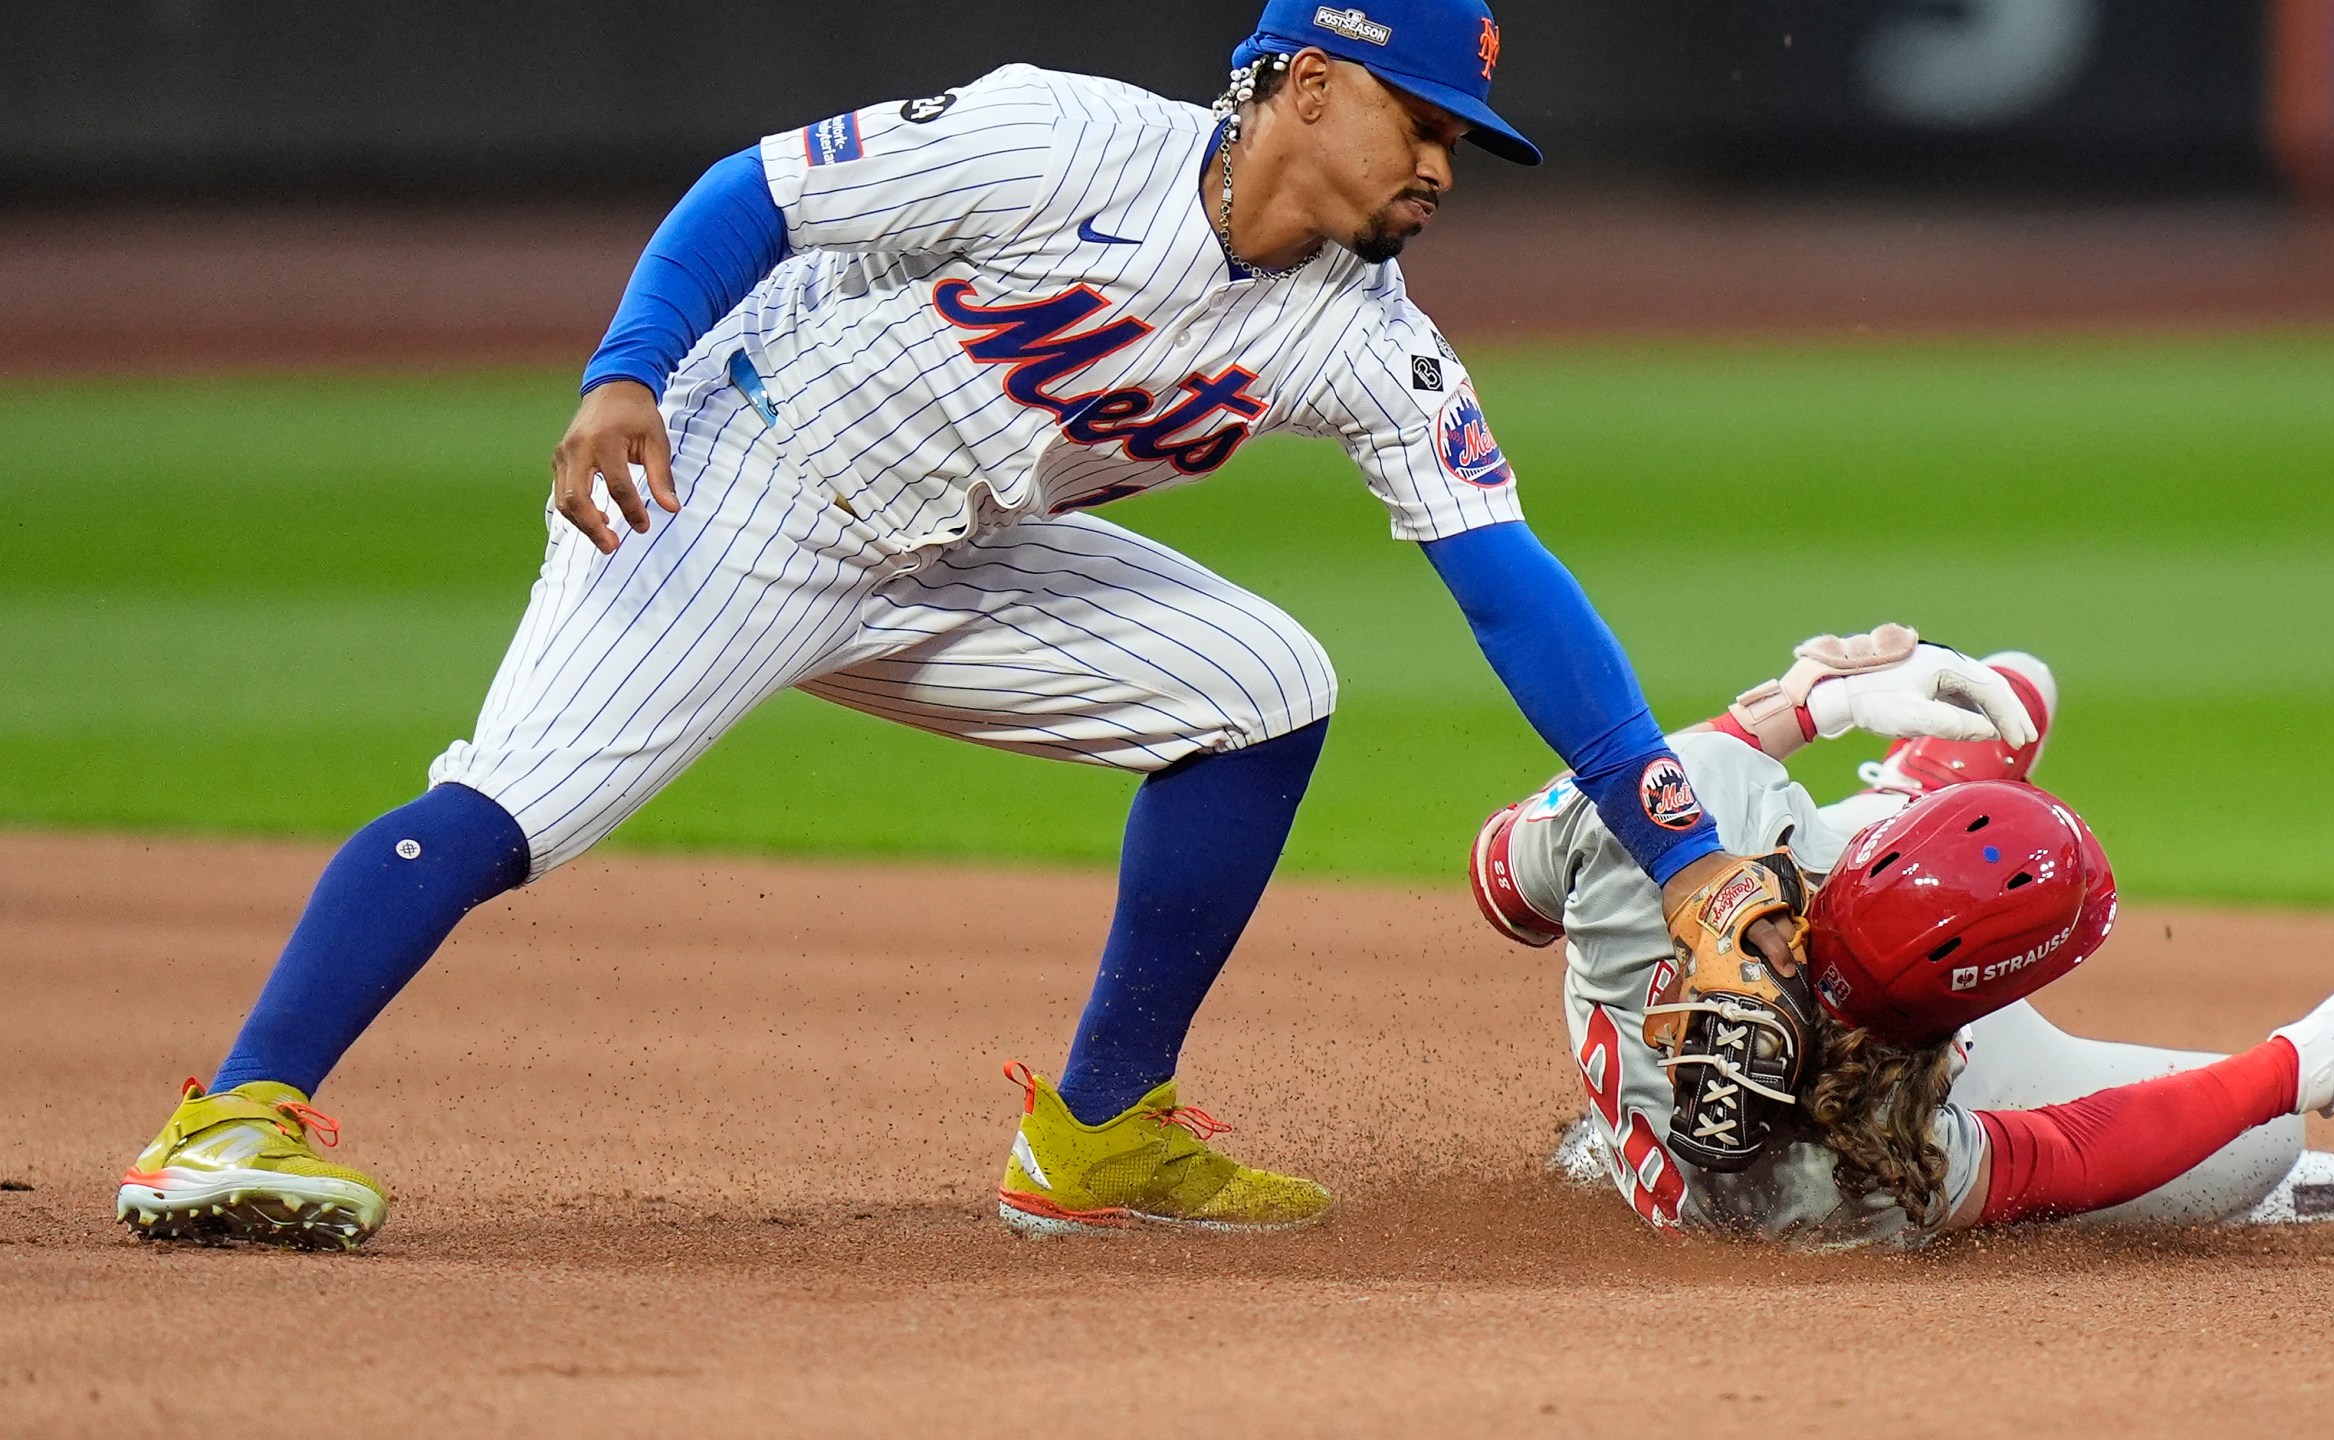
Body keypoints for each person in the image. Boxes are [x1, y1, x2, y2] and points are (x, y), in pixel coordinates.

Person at [114, 0, 1873, 1249]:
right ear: (1314, 87)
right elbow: (758, 193)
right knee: (516, 808)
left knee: (1261, 688)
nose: (1446, 168)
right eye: (1426, 122)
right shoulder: (1061, 136)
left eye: (1465, 143)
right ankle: (230, 1118)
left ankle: (1098, 1134)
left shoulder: (1369, 335)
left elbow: (1508, 582)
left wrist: (1678, 844)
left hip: (954, 554)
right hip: (732, 484)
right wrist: (623, 374)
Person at [1474, 628, 2334, 1246]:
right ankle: (1930, 784)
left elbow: (1504, 888)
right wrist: (2296, 1067)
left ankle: (1920, 789)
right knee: (2266, 1144)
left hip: (1652, 1106)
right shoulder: (1875, 1178)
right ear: (1966, 1021)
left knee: (1936, 732)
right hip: (1874, 1065)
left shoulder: (1690, 803)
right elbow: (2069, 1153)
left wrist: (1795, 710)